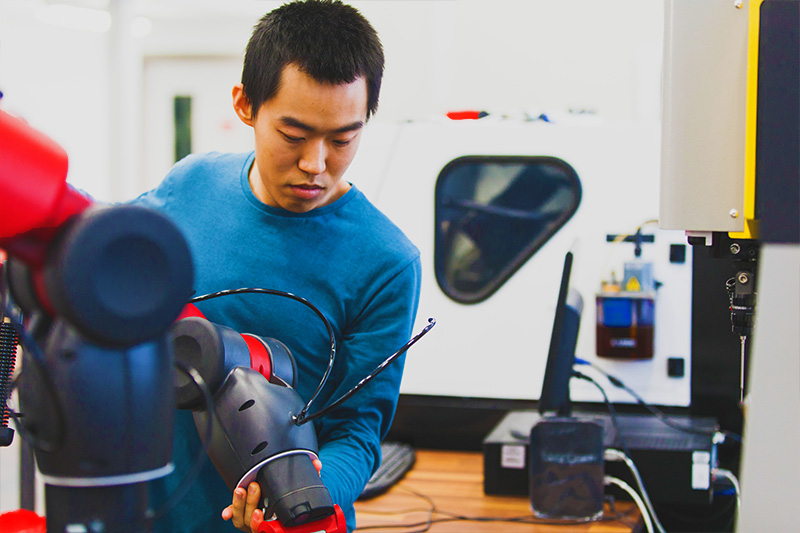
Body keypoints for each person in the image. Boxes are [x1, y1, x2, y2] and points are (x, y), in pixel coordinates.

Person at [135, 1, 422, 532]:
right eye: (294, 135)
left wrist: (304, 501)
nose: (316, 164)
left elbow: (358, 432)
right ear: (246, 105)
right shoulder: (191, 184)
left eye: (343, 139)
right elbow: (106, 248)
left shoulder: (387, 262)